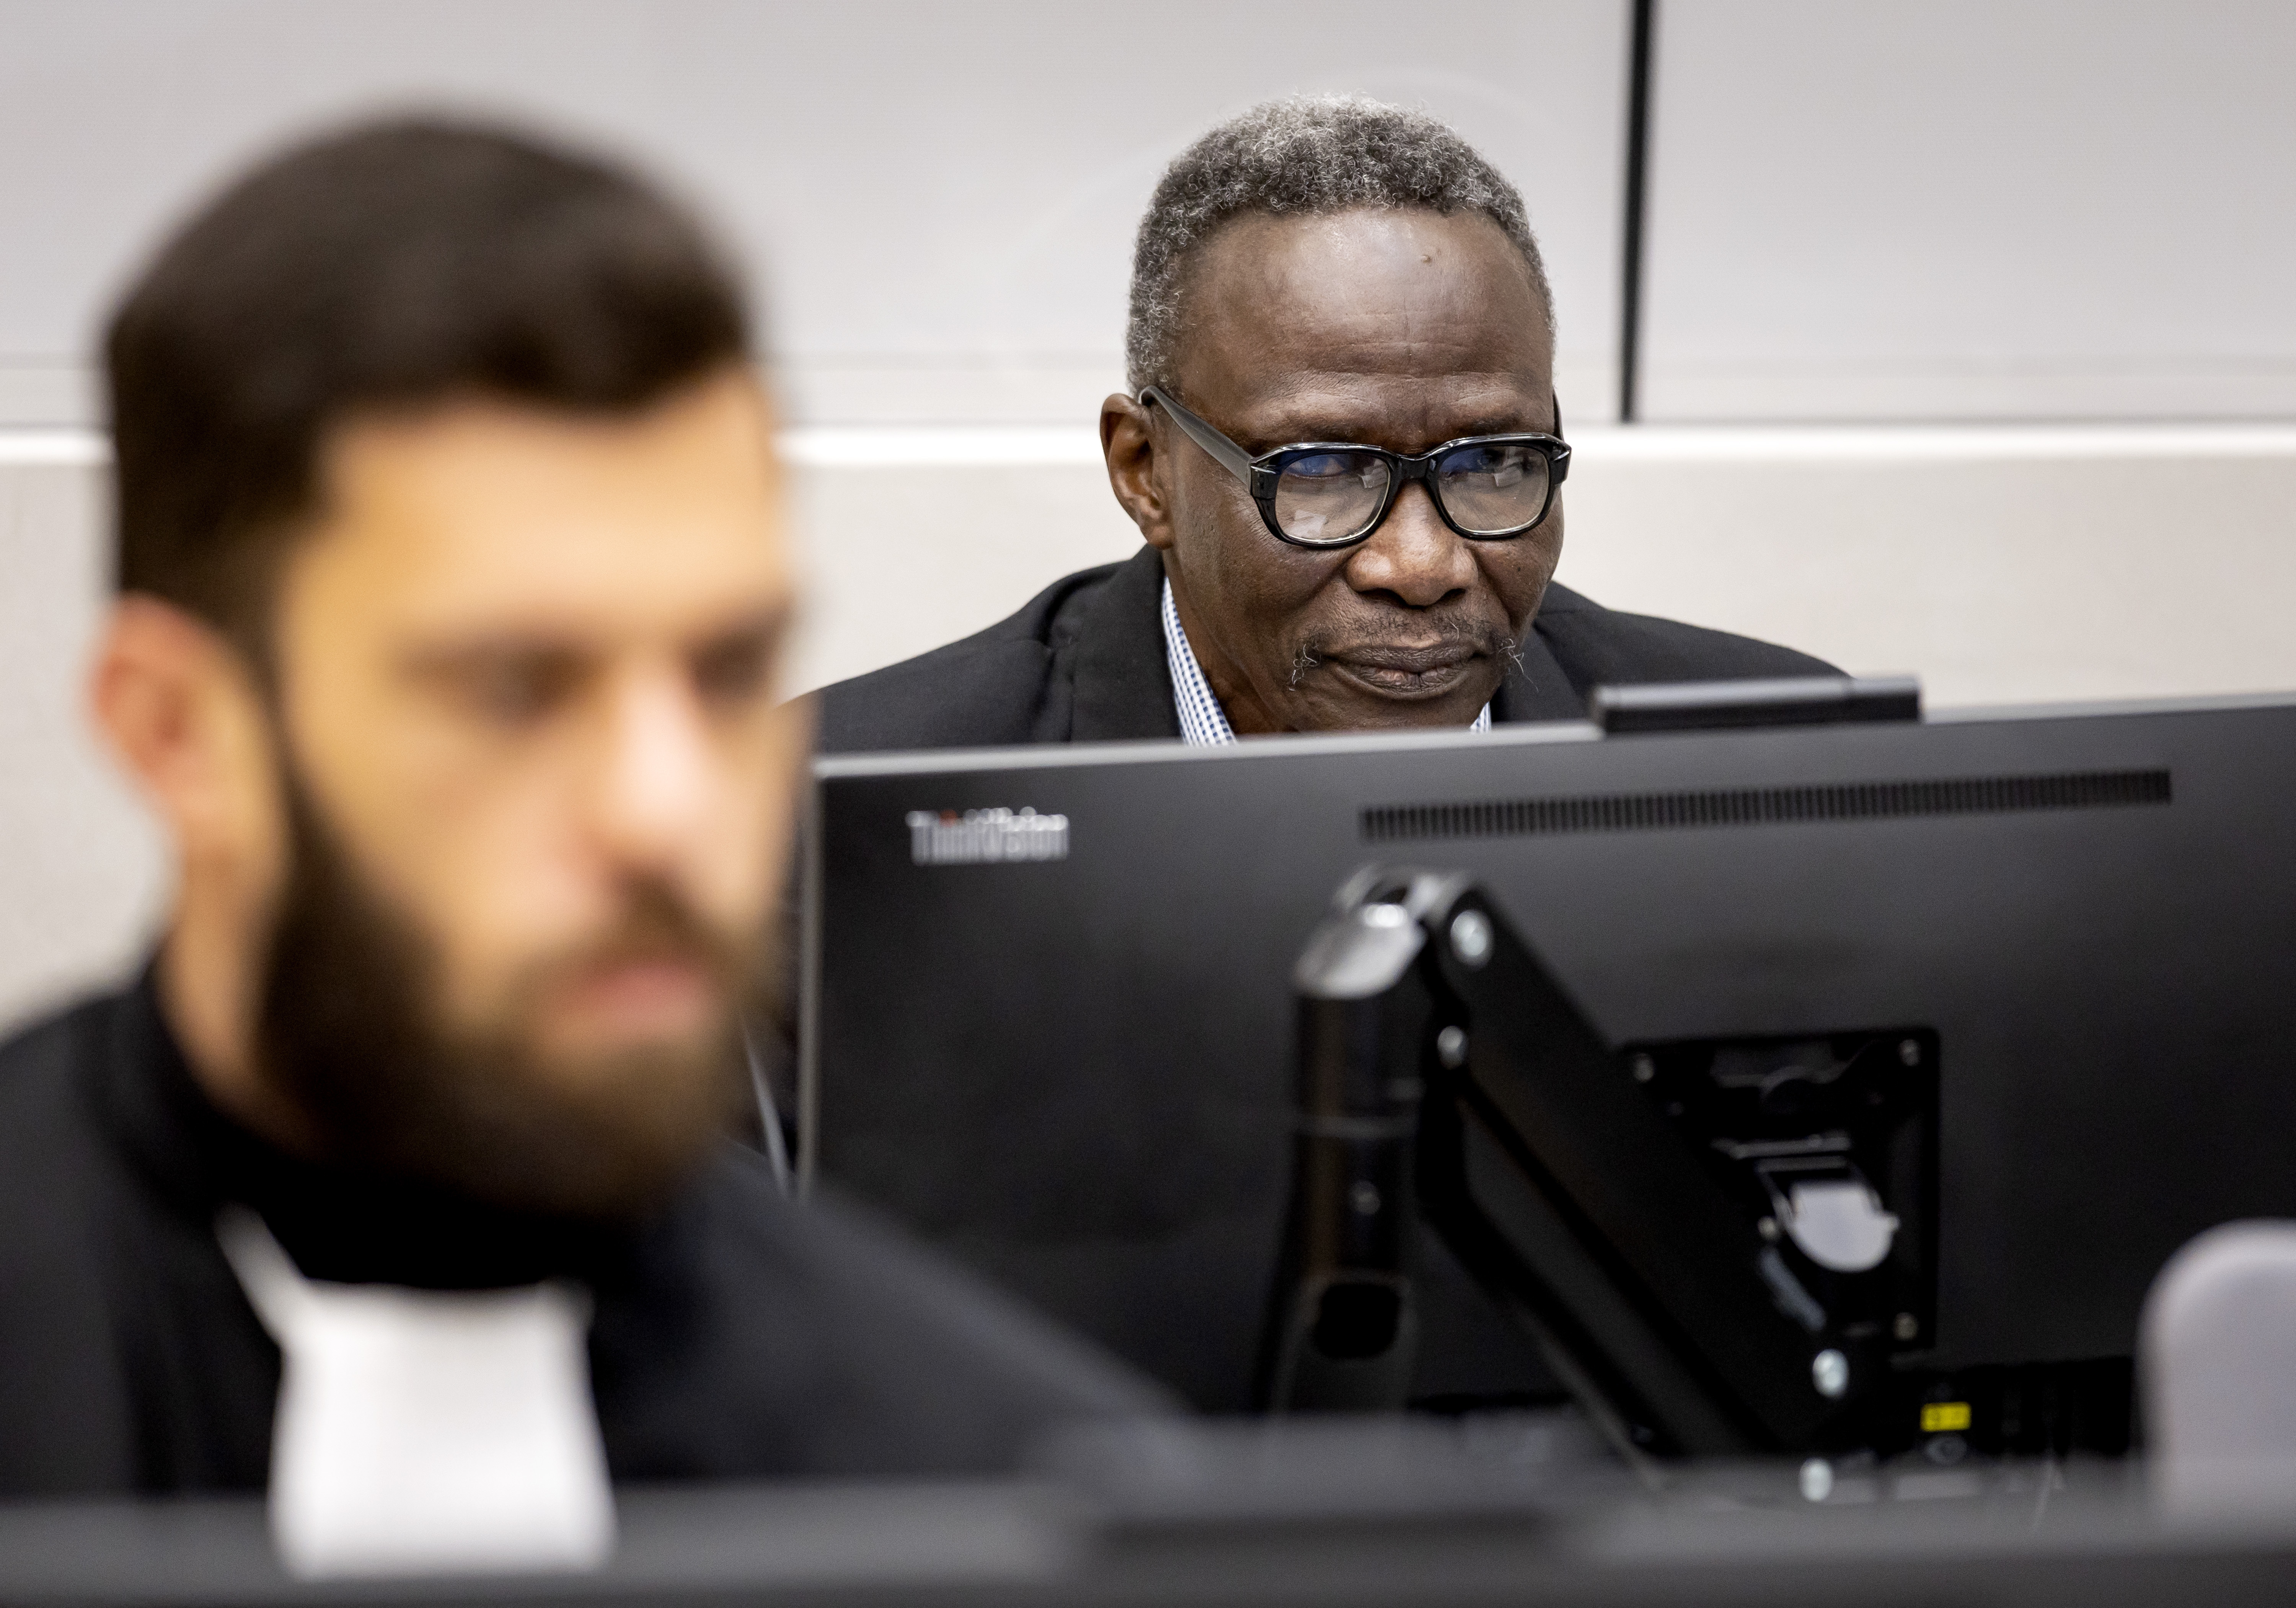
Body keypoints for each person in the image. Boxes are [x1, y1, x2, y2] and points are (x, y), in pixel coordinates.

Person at [0, 118, 1158, 1500]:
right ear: (178, 732)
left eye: (728, 671)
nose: (664, 813)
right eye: (512, 691)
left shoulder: (995, 1488)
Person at [814, 96, 1831, 753]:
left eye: (1492, 462)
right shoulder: (838, 813)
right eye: (1324, 471)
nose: (1423, 564)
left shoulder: (1774, 760)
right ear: (1146, 471)